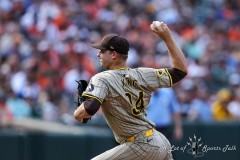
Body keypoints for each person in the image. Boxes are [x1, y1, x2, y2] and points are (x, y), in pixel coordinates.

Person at [73, 21, 188, 160]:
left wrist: (78, 112)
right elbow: (180, 71)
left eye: (102, 51)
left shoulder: (102, 78)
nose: (98, 54)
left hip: (140, 144)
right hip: (160, 141)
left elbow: (89, 109)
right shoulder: (143, 74)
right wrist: (168, 37)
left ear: (114, 54)